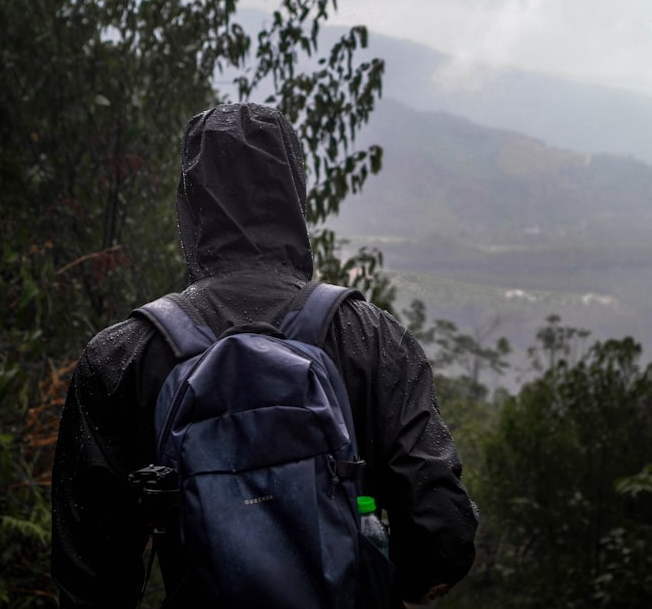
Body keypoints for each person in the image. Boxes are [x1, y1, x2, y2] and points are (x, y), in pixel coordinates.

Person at [51, 103, 479, 607]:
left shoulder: (122, 355)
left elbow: (88, 576)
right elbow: (441, 536)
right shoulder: (371, 337)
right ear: (295, 195)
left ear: (190, 208)